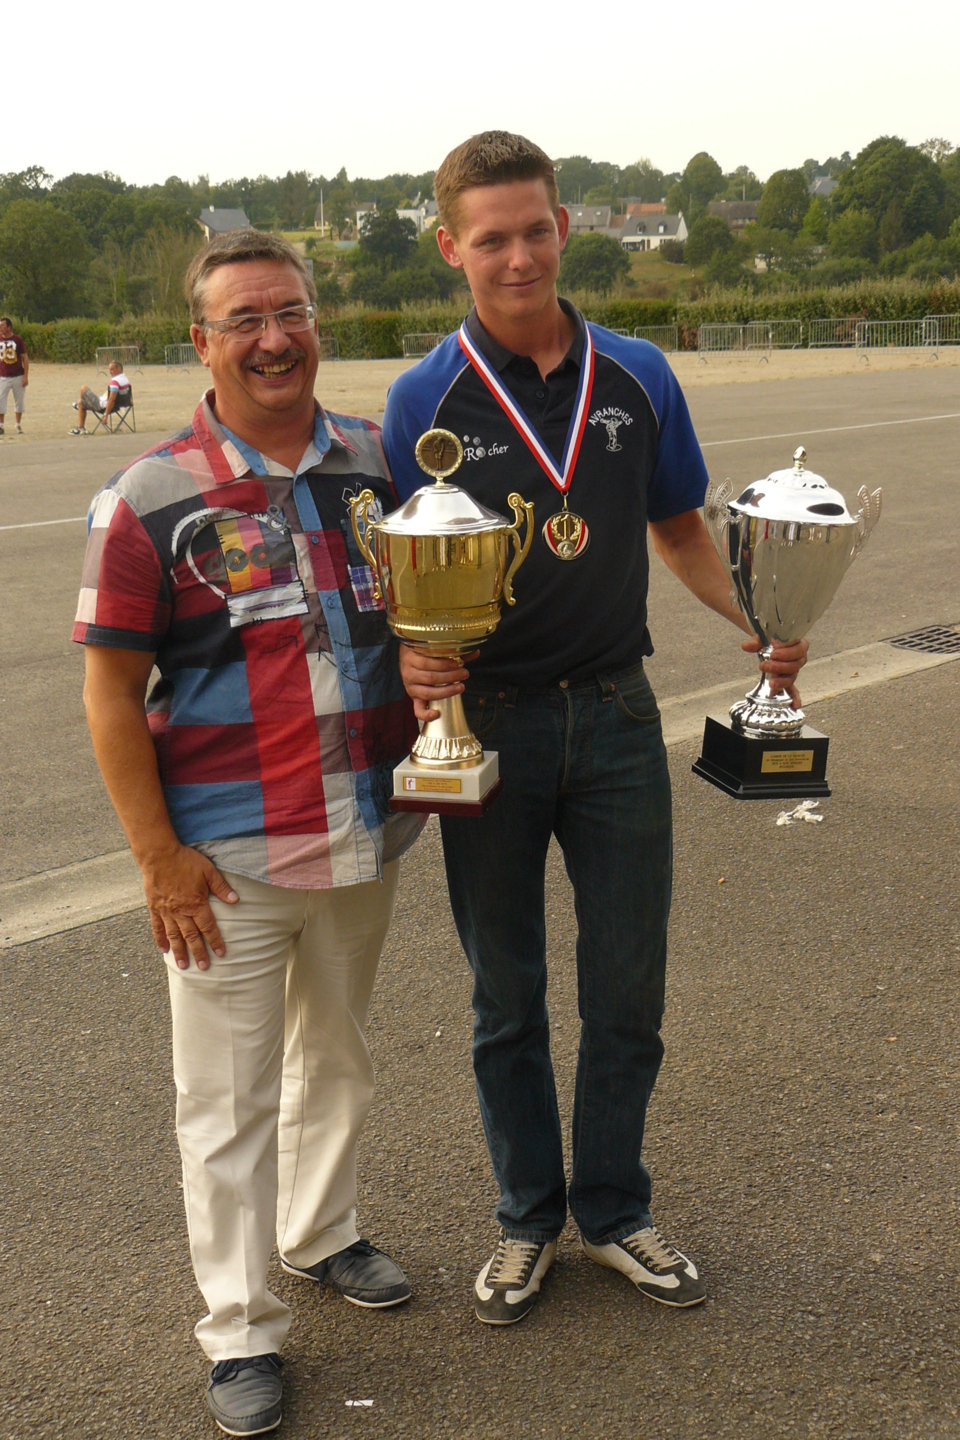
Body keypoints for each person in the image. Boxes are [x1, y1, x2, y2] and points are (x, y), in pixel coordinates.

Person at [382, 132, 808, 1327]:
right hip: (491, 728)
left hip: (619, 717)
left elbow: (678, 527)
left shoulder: (639, 373)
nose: (517, 255)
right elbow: (407, 579)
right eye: (490, 237)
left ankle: (614, 1208)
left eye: (535, 229)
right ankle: (527, 1218)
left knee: (628, 991)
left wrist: (760, 616)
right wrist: (417, 655)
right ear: (451, 247)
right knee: (504, 997)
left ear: (564, 226)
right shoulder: (425, 395)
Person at [74, 231, 423, 1436]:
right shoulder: (151, 497)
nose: (274, 339)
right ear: (203, 343)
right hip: (224, 859)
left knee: (339, 1057)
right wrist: (156, 858)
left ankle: (323, 1234)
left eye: (292, 312)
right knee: (222, 1102)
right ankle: (237, 1326)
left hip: (365, 829)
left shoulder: (380, 466)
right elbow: (113, 695)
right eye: (245, 321)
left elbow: (426, 626)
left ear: (316, 319)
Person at [68, 360, 130, 434]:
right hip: (120, 405)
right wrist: (128, 402)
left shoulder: (115, 382)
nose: (110, 372)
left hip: (102, 407)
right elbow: (126, 393)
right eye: (109, 369)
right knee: (81, 402)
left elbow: (112, 399)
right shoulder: (125, 379)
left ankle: (80, 424)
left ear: (119, 368)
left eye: (112, 369)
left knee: (83, 389)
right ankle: (80, 412)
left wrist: (105, 415)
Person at [0, 315, 28, 435]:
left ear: (9, 327)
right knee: (0, 401)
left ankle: (18, 425)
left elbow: (24, 358)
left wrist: (25, 376)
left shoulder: (18, 340)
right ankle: (1, 425)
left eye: (2, 325)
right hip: (3, 376)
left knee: (19, 401)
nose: (0, 327)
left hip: (17, 375)